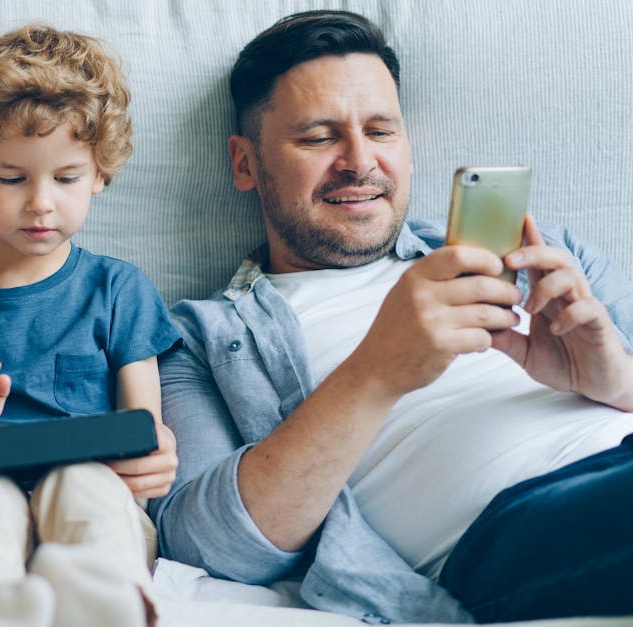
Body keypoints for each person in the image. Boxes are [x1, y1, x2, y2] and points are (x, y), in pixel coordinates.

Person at [148, 9, 633, 625]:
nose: (360, 161)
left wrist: (617, 379)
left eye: (381, 131)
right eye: (319, 137)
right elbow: (206, 545)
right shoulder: (195, 340)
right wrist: (378, 369)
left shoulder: (549, 253)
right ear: (245, 164)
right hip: (521, 526)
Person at [0, 24, 180, 627]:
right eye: (13, 179)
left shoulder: (118, 290)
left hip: (91, 499)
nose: (41, 202)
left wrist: (156, 458)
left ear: (99, 173)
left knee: (83, 483)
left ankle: (105, 603)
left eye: (66, 178)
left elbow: (145, 428)